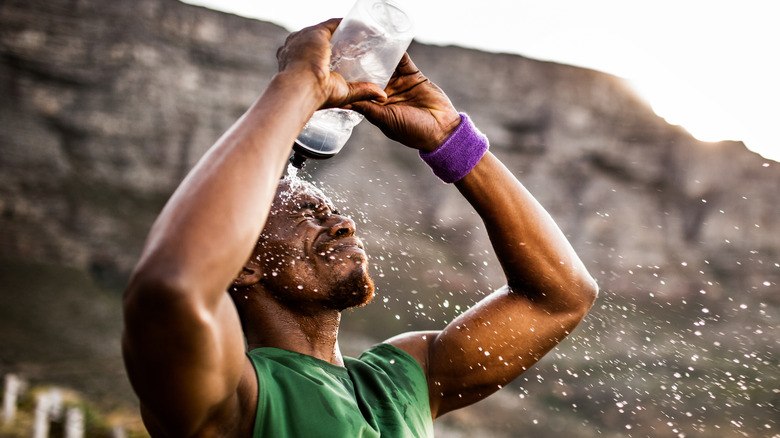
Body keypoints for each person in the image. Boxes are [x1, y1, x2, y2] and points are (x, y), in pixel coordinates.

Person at [122, 18, 598, 437]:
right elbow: (171, 286)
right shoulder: (231, 395)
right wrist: (298, 85)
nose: (344, 222)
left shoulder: (400, 378)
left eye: (330, 210)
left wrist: (451, 137)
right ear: (243, 263)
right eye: (308, 214)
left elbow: (560, 296)